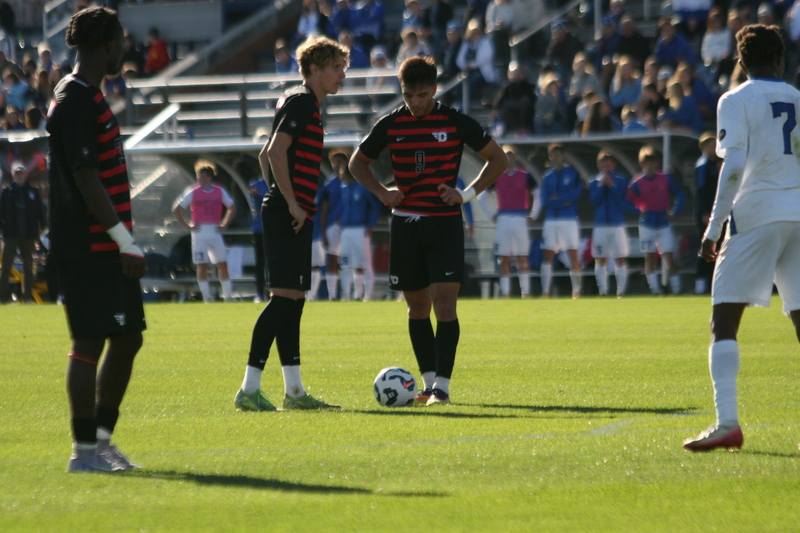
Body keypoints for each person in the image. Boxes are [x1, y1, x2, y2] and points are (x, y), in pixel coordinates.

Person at [349, 56, 507, 405]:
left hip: (443, 224)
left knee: (445, 305)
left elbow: (499, 159)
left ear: (434, 89)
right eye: (408, 95)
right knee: (417, 308)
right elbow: (356, 162)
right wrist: (381, 192)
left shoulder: (454, 121)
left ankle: (444, 389)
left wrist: (465, 195)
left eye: (421, 94)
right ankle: (429, 383)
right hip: (405, 225)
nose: (415, 102)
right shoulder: (390, 124)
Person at [683, 25, 800, 451]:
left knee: (725, 320)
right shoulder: (797, 97)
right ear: (780, 59)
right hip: (799, 215)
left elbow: (733, 167)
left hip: (757, 215)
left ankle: (727, 423)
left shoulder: (734, 99)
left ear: (741, 60)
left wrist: (713, 229)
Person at [47, 6, 146, 472]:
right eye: (120, 39)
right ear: (107, 44)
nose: (124, 48)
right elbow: (87, 180)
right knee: (89, 343)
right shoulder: (75, 99)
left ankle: (102, 441)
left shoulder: (88, 95)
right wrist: (122, 239)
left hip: (107, 246)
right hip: (87, 246)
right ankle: (83, 453)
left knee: (126, 339)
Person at [234, 36, 348, 412]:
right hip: (290, 213)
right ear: (314, 69)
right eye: (336, 68)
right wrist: (290, 203)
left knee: (295, 301)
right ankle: (249, 388)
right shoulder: (302, 101)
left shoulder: (306, 104)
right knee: (283, 299)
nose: (342, 74)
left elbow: (267, 152)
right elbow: (277, 150)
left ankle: (295, 393)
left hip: (293, 213)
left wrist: (286, 201)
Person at [172, 160, 237, 303]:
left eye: (201, 176)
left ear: (208, 176)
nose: (199, 178)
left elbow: (232, 207)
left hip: (215, 229)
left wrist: (224, 224)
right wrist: (188, 226)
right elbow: (177, 209)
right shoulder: (193, 192)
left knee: (222, 263)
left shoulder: (219, 190)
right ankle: (207, 298)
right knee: (202, 264)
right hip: (200, 231)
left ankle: (228, 296)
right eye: (198, 176)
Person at [478, 146, 536, 298]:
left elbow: (539, 195)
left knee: (522, 256)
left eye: (511, 156)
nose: (509, 160)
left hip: (520, 219)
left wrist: (533, 214)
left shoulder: (525, 176)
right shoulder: (497, 177)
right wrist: (492, 215)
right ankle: (505, 293)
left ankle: (526, 291)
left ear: (515, 158)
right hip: (503, 220)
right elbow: (482, 197)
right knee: (504, 257)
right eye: (506, 156)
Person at [628, 145, 685, 295]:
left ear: (657, 163)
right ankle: (655, 290)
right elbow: (627, 200)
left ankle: (677, 290)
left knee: (669, 257)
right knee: (649, 258)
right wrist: (638, 210)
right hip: (647, 224)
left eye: (653, 163)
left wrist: (675, 212)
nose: (650, 166)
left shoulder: (664, 178)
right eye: (647, 163)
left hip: (663, 223)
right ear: (642, 165)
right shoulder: (637, 183)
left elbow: (680, 194)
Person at [588, 152, 637, 297]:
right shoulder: (593, 181)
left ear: (613, 165)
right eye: (603, 164)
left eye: (608, 164)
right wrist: (601, 185)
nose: (606, 167)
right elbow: (594, 200)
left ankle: (621, 291)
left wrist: (611, 185)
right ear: (599, 166)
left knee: (620, 257)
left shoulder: (621, 180)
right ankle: (603, 291)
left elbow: (620, 197)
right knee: (600, 258)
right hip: (600, 225)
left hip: (617, 224)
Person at [539, 143, 583, 299]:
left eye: (558, 154)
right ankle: (545, 291)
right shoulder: (546, 176)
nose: (555, 157)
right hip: (551, 220)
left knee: (573, 254)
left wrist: (558, 199)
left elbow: (576, 195)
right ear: (550, 157)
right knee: (548, 255)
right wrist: (562, 201)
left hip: (569, 219)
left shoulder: (572, 173)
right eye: (553, 155)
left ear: (563, 155)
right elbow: (544, 200)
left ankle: (576, 291)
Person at [0, 163, 46, 303]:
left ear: (25, 175)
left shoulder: (33, 192)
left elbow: (40, 212)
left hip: (28, 235)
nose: (19, 176)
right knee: (6, 267)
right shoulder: (7, 192)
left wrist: (43, 229)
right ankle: (2, 298)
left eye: (21, 174)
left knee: (28, 268)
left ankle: (26, 298)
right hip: (11, 236)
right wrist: (3, 230)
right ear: (13, 176)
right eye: (17, 174)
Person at [338, 162, 381, 301]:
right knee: (345, 263)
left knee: (364, 263)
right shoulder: (343, 188)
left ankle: (367, 295)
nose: (339, 175)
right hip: (346, 229)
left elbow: (375, 207)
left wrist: (370, 225)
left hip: (360, 229)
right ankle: (349, 295)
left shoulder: (362, 188)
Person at [693, 131, 721, 295]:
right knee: (705, 246)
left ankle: (710, 283)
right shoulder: (703, 165)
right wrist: (704, 212)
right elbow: (701, 191)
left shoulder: (713, 164)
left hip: (713, 211)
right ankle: (700, 283)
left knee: (715, 247)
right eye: (712, 145)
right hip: (706, 212)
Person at [320, 150, 346, 300]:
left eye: (340, 161)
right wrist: (323, 232)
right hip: (332, 226)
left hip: (349, 226)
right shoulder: (329, 184)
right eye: (334, 162)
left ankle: (350, 294)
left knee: (349, 261)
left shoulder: (353, 180)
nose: (336, 165)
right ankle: (332, 295)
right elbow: (324, 208)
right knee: (332, 260)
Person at [249, 174, 269, 303]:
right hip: (259, 229)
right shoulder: (255, 184)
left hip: (275, 229)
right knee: (260, 262)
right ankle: (260, 293)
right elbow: (256, 208)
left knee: (274, 263)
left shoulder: (280, 181)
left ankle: (274, 291)